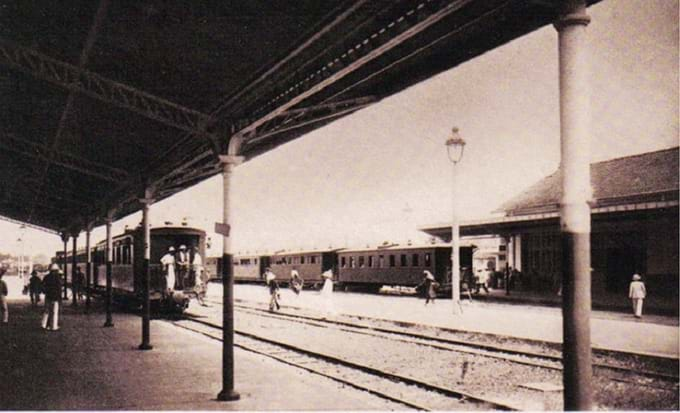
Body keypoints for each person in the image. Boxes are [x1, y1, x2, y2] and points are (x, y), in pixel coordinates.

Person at [41, 264, 62, 331]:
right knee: (54, 312)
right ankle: (53, 326)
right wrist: (59, 297)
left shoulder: (46, 277)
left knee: (46, 310)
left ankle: (43, 325)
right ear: (56, 271)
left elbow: (42, 286)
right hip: (55, 297)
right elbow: (59, 289)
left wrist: (45, 292)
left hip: (48, 296)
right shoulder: (58, 278)